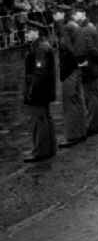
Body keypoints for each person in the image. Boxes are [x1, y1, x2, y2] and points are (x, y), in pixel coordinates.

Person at [22, 20, 57, 162]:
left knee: (39, 121)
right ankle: (49, 148)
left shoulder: (40, 48)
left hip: (39, 91)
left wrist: (30, 92)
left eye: (28, 31)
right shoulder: (40, 46)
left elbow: (39, 73)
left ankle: (40, 151)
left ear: (36, 32)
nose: (26, 34)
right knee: (45, 119)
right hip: (44, 90)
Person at [57, 5, 87, 148]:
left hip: (69, 69)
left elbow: (68, 48)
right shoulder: (74, 27)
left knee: (70, 103)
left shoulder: (68, 28)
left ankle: (73, 135)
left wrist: (59, 27)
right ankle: (81, 131)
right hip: (75, 68)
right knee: (77, 101)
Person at [75, 4, 98, 136]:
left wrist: (85, 65)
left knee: (91, 97)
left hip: (89, 66)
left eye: (76, 14)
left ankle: (93, 124)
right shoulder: (90, 27)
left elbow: (91, 49)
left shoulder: (85, 30)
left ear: (82, 14)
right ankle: (97, 123)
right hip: (93, 66)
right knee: (95, 95)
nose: (74, 17)